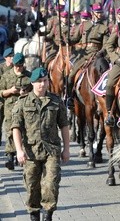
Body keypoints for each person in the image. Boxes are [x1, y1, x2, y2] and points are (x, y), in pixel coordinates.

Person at [11, 67, 70, 221]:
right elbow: (16, 127)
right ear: (32, 83)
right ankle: (34, 214)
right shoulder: (23, 102)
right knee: (32, 187)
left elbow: (64, 125)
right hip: (31, 152)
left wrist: (66, 149)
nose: (42, 85)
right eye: (38, 82)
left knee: (51, 184)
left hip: (52, 151)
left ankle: (48, 214)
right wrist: (19, 150)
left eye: (45, 81)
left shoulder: (56, 101)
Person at [66, 3, 110, 108]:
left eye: (101, 12)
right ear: (93, 13)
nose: (100, 14)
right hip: (84, 55)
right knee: (71, 75)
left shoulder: (104, 28)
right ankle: (70, 98)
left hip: (97, 56)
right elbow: (75, 39)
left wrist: (101, 52)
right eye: (98, 12)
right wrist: (68, 39)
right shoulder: (84, 25)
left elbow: (106, 45)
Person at [0, 53, 32, 170]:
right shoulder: (7, 75)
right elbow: (1, 92)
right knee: (9, 131)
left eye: (20, 66)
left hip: (25, 107)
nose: (19, 68)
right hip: (10, 107)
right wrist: (10, 91)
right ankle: (10, 156)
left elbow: (35, 92)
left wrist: (26, 93)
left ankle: (21, 154)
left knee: (24, 130)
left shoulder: (29, 76)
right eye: (16, 66)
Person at [0, 47, 14, 144]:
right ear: (5, 58)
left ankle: (11, 148)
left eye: (13, 56)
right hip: (1, 98)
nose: (12, 58)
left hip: (12, 100)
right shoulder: (1, 68)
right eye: (10, 56)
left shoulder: (16, 67)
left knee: (11, 124)